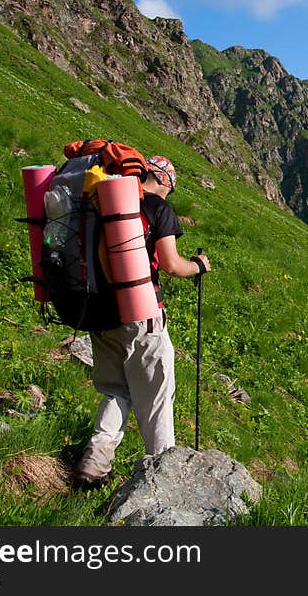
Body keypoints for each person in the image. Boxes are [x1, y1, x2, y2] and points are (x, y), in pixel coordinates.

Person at [75, 155, 211, 487]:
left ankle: (93, 467)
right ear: (165, 181)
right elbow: (171, 264)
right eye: (171, 189)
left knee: (116, 391)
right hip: (140, 314)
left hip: (98, 313)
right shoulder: (157, 207)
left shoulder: (100, 201)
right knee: (157, 399)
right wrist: (199, 266)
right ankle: (164, 482)